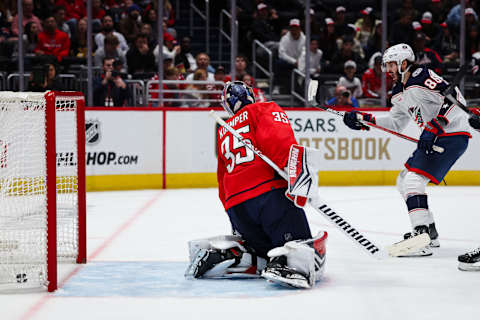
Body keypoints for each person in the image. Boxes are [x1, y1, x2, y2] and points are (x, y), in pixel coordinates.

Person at [185, 81, 327, 288]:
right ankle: (287, 263)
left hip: (237, 206)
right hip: (268, 196)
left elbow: (222, 178)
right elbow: (278, 141)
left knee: (262, 250)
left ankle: (234, 254)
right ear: (251, 96)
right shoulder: (263, 108)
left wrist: (235, 217)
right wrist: (298, 177)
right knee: (299, 246)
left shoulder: (224, 130)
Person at [342, 43, 473, 256]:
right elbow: (395, 122)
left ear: (404, 63)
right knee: (404, 181)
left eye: (391, 64)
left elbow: (455, 99)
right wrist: (363, 118)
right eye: (386, 66)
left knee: (413, 181)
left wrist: (436, 125)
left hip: (452, 133)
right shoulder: (398, 92)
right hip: (436, 136)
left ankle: (421, 238)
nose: (388, 70)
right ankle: (429, 233)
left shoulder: (421, 76)